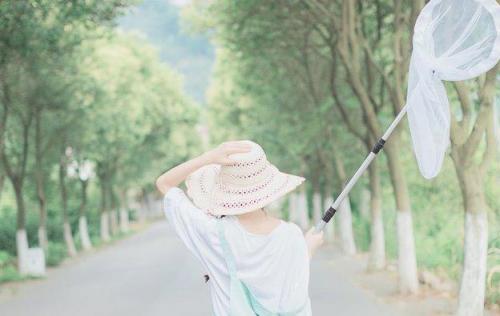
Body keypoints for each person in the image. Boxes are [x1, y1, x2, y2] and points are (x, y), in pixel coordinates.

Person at [155, 140, 324, 315]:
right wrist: (307, 250)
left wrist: (208, 158)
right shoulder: (291, 235)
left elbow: (164, 183)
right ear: (267, 187)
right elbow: (292, 301)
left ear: (224, 191)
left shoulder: (211, 231)